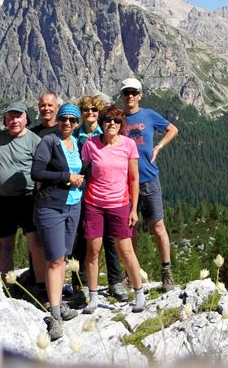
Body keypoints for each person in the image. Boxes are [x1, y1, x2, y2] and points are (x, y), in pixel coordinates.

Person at [79, 104, 146, 313]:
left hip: (120, 205)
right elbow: (81, 171)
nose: (112, 124)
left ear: (121, 124)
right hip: (94, 205)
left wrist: (134, 209)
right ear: (102, 123)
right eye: (108, 120)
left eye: (117, 121)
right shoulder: (90, 145)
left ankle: (139, 294)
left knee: (126, 250)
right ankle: (93, 297)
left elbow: (134, 179)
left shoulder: (128, 145)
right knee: (93, 252)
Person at [31, 103, 85, 340]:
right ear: (58, 120)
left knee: (62, 257)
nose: (67, 123)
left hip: (73, 205)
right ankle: (54, 315)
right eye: (63, 119)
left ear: (77, 124)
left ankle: (58, 302)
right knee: (54, 260)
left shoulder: (77, 144)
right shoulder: (49, 142)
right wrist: (67, 177)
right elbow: (37, 172)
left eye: (72, 120)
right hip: (51, 207)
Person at [119, 77, 179, 290]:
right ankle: (131, 274)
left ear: (140, 95)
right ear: (122, 96)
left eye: (134, 92)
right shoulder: (117, 119)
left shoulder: (149, 115)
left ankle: (166, 272)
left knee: (158, 226)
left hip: (149, 179)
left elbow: (173, 129)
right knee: (129, 229)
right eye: (126, 93)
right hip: (125, 184)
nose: (130, 96)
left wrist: (159, 147)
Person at [0, 102, 49, 298]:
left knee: (35, 245)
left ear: (26, 119)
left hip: (28, 199)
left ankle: (41, 288)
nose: (14, 120)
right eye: (10, 117)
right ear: (5, 120)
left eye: (18, 116)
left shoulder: (34, 140)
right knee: (5, 246)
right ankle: (8, 289)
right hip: (2, 200)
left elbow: (43, 169)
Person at [71, 93, 127, 303]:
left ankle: (115, 281)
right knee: (84, 240)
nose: (90, 113)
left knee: (110, 240)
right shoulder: (75, 135)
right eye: (86, 110)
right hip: (80, 192)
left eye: (95, 110)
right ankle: (80, 284)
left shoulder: (106, 134)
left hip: (105, 194)